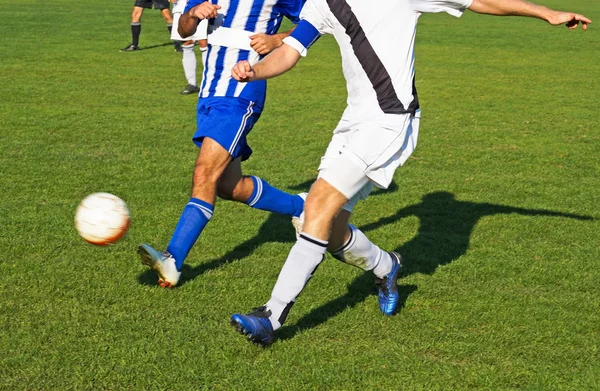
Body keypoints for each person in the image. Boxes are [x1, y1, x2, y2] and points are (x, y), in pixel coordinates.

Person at [228, 0, 591, 346]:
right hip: (353, 122)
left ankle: (271, 317)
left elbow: (481, 3)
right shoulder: (323, 4)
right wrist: (255, 70)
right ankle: (387, 267)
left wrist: (547, 13)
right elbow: (290, 49)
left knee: (317, 207)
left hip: (390, 122)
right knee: (330, 227)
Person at [137, 0, 307, 288]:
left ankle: (173, 259)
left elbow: (319, 22)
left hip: (241, 93)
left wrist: (276, 40)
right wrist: (192, 14)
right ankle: (301, 206)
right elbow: (183, 28)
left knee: (204, 173)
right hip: (209, 93)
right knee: (229, 186)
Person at [171, 0, 209, 94]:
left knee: (203, 41)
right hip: (180, 8)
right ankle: (192, 84)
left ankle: (208, 82)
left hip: (201, 6)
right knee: (186, 42)